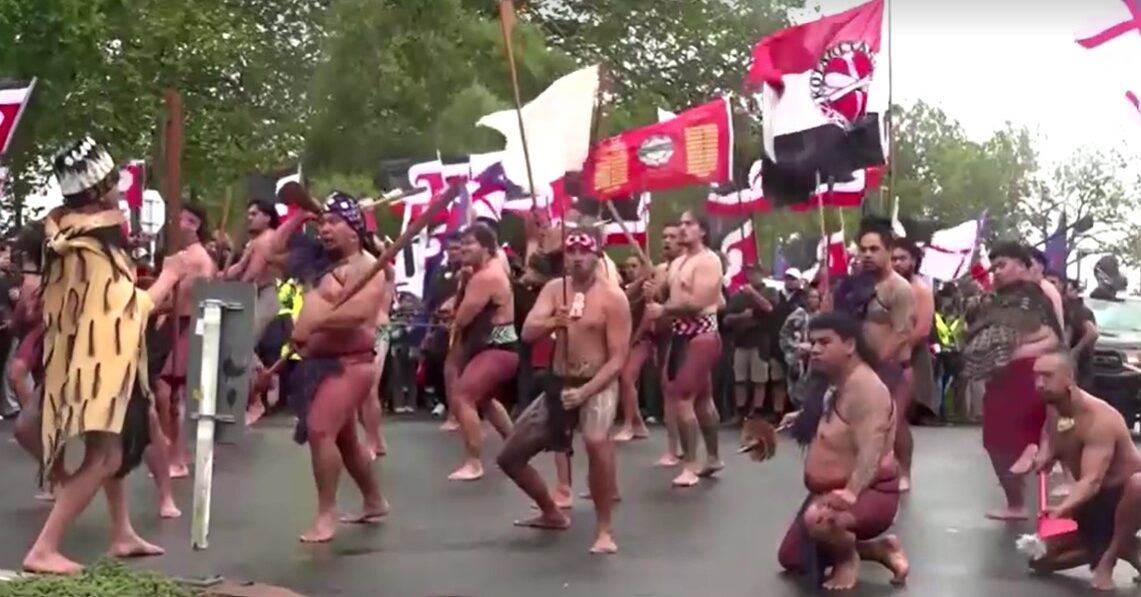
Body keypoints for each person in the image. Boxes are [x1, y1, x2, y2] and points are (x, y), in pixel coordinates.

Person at [23, 137, 189, 574]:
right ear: (98, 188)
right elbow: (124, 310)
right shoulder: (90, 241)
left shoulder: (74, 232)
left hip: (89, 356)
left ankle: (122, 533)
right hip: (99, 360)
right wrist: (170, 276)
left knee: (109, 447)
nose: (120, 185)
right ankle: (45, 547)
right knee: (106, 457)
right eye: (113, 179)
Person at [497, 224, 631, 555]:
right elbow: (528, 333)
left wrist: (586, 393)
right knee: (509, 457)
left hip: (596, 383)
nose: (576, 258)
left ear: (597, 254)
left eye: (583, 251)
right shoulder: (555, 290)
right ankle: (551, 512)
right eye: (570, 251)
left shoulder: (613, 298)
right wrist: (553, 322)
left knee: (597, 442)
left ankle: (604, 530)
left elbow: (617, 360)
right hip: (559, 381)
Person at [776, 312, 909, 590]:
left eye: (825, 342)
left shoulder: (867, 388)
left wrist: (851, 491)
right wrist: (801, 416)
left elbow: (871, 450)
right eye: (813, 343)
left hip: (870, 491)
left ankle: (847, 559)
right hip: (828, 490)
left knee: (820, 521)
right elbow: (837, 423)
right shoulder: (839, 381)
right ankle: (878, 549)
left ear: (849, 345)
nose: (814, 349)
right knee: (792, 557)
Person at [284, 192, 389, 543]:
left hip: (351, 364)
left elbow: (360, 313)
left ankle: (326, 514)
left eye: (334, 222)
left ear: (354, 231)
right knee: (345, 440)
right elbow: (270, 254)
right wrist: (299, 217)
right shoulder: (320, 263)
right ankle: (375, 501)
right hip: (321, 362)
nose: (325, 229)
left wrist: (313, 324)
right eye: (323, 223)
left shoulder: (367, 267)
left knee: (320, 430)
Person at [1026, 349, 1141, 591]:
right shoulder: (1055, 405)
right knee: (1039, 560)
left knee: (1139, 483)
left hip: (1122, 497)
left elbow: (1091, 480)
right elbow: (1052, 435)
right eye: (1036, 376)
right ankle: (1128, 548)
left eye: (1047, 376)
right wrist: (1041, 456)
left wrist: (1062, 508)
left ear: (1068, 377)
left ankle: (1108, 559)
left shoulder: (1099, 419)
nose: (1039, 384)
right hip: (1092, 506)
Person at [962, 241, 1061, 520]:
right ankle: (1015, 503)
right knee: (994, 442)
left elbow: (1054, 338)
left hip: (1030, 375)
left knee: (1025, 433)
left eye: (1002, 265)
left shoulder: (1039, 296)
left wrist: (1015, 354)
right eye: (994, 267)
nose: (997, 272)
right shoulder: (991, 299)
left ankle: (1035, 448)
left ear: (1022, 266)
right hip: (997, 379)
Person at [643, 210, 724, 487]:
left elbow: (699, 303)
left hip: (702, 334)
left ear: (702, 231)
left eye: (689, 224)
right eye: (681, 223)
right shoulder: (677, 263)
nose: (683, 228)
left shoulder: (710, 261)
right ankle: (713, 457)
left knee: (683, 398)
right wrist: (651, 290)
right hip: (680, 335)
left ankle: (690, 463)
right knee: (701, 400)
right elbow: (665, 293)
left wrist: (663, 308)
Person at [446, 223, 517, 481]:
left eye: (470, 244)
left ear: (486, 249)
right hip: (495, 346)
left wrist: (461, 291)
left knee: (463, 396)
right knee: (484, 400)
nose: (464, 248)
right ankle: (515, 445)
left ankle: (474, 462)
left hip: (497, 348)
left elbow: (462, 318)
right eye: (462, 243)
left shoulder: (485, 277)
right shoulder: (488, 270)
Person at [155, 203, 218, 480]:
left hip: (191, 325)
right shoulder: (180, 256)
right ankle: (174, 452)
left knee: (170, 393)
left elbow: (200, 295)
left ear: (196, 226)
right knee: (165, 392)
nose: (180, 224)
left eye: (187, 220)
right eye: (179, 219)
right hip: (174, 323)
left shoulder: (200, 259)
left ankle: (178, 456)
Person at [855, 219, 916, 491]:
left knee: (894, 424)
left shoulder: (899, 288)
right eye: (863, 249)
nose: (867, 254)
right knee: (863, 425)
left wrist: (878, 362)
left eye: (874, 249)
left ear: (887, 250)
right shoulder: (857, 286)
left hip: (893, 368)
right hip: (863, 368)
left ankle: (904, 472)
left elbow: (903, 332)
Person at [644, 223, 684, 466]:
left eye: (673, 236)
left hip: (690, 333)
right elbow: (656, 302)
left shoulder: (691, 266)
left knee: (692, 397)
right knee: (669, 390)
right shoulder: (660, 269)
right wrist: (650, 291)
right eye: (664, 236)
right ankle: (674, 447)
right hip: (666, 335)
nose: (667, 241)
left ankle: (701, 453)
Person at [724, 265, 776, 423]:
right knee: (740, 379)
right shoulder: (737, 296)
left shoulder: (770, 292)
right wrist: (742, 317)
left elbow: (769, 308)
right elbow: (726, 319)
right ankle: (740, 411)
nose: (753, 275)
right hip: (741, 342)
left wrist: (753, 294)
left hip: (760, 342)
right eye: (750, 272)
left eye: (756, 272)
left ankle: (757, 411)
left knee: (759, 380)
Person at [614, 254, 653, 442]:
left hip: (642, 339)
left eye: (634, 265)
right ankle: (638, 425)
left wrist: (632, 341)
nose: (630, 269)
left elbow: (647, 318)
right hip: (626, 339)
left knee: (627, 378)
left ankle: (629, 425)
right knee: (625, 380)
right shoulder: (624, 289)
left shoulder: (646, 289)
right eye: (627, 265)